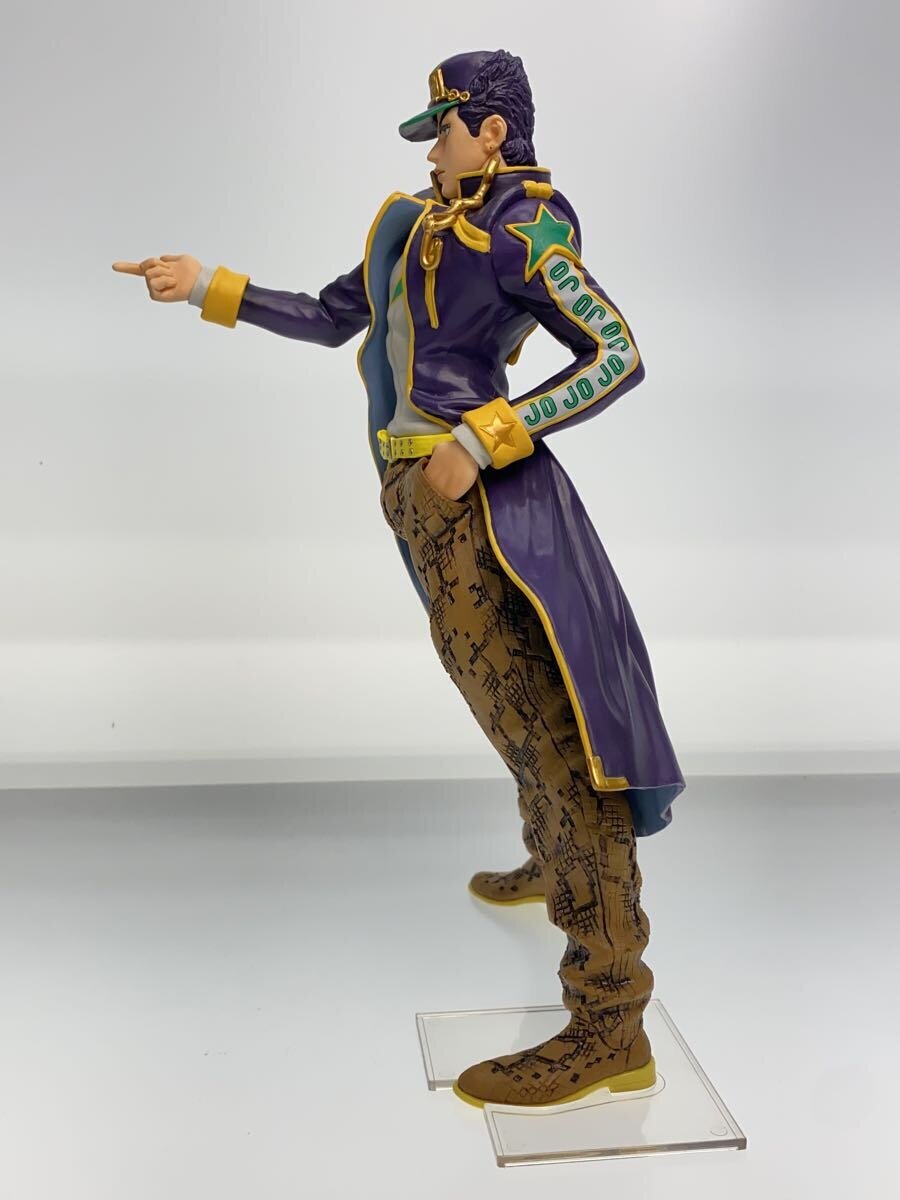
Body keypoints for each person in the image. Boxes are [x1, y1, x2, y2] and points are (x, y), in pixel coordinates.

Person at [112, 48, 685, 1109]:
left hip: (491, 510)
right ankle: (549, 854)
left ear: (492, 131)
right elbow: (337, 316)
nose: (432, 152)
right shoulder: (407, 224)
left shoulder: (526, 229)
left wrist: (489, 432)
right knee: (504, 701)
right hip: (415, 498)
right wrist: (209, 287)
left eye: (446, 132)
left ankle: (611, 1015)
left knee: (555, 733)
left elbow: (616, 353)